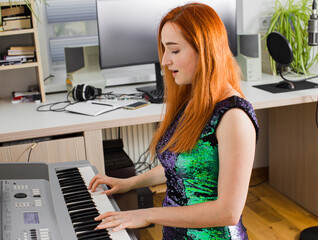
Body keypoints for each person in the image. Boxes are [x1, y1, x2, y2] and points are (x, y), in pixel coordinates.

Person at [88, 3, 259, 239]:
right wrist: (130, 183)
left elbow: (227, 212)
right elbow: (181, 164)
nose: (165, 61)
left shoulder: (234, 117)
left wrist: (147, 214)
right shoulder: (192, 100)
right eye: (164, 50)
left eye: (174, 51)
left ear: (205, 50)